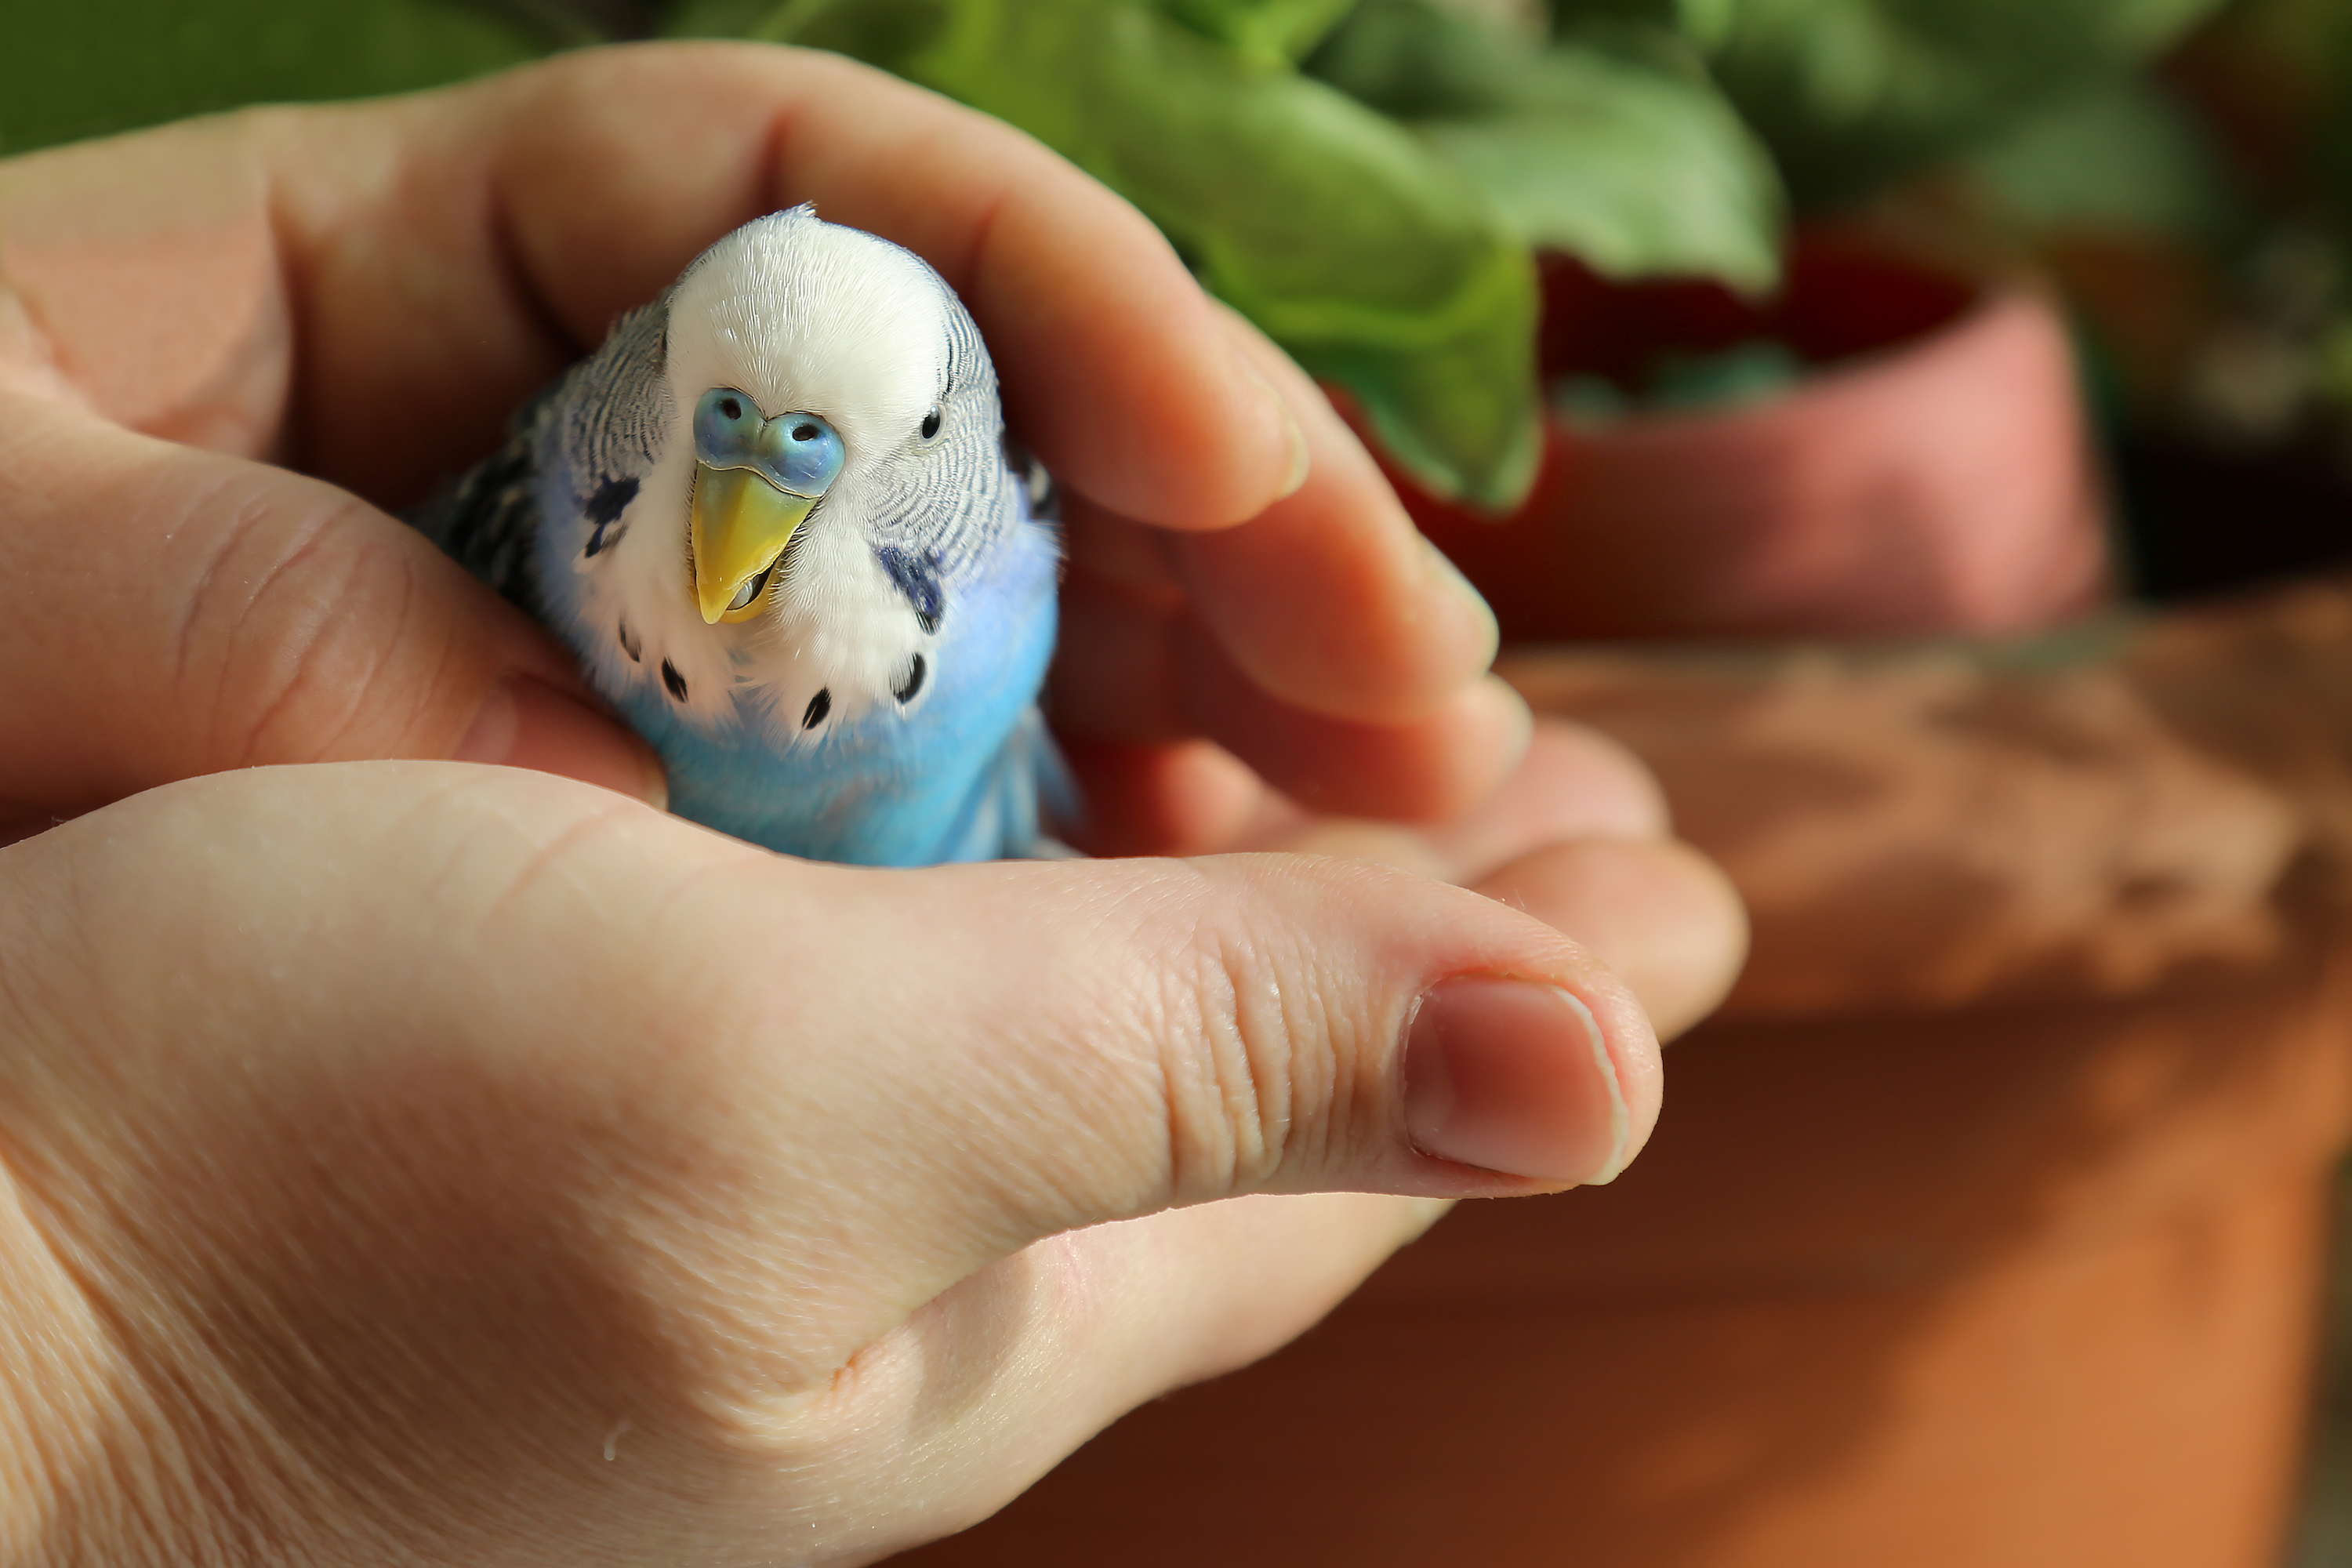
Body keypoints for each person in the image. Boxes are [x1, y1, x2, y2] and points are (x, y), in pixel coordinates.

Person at [0, 42, 1744, 1563]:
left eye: (835, 449)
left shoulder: (1009, 570)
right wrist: (125, 1366)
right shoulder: (536, 524)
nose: (748, 503)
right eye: (721, 428)